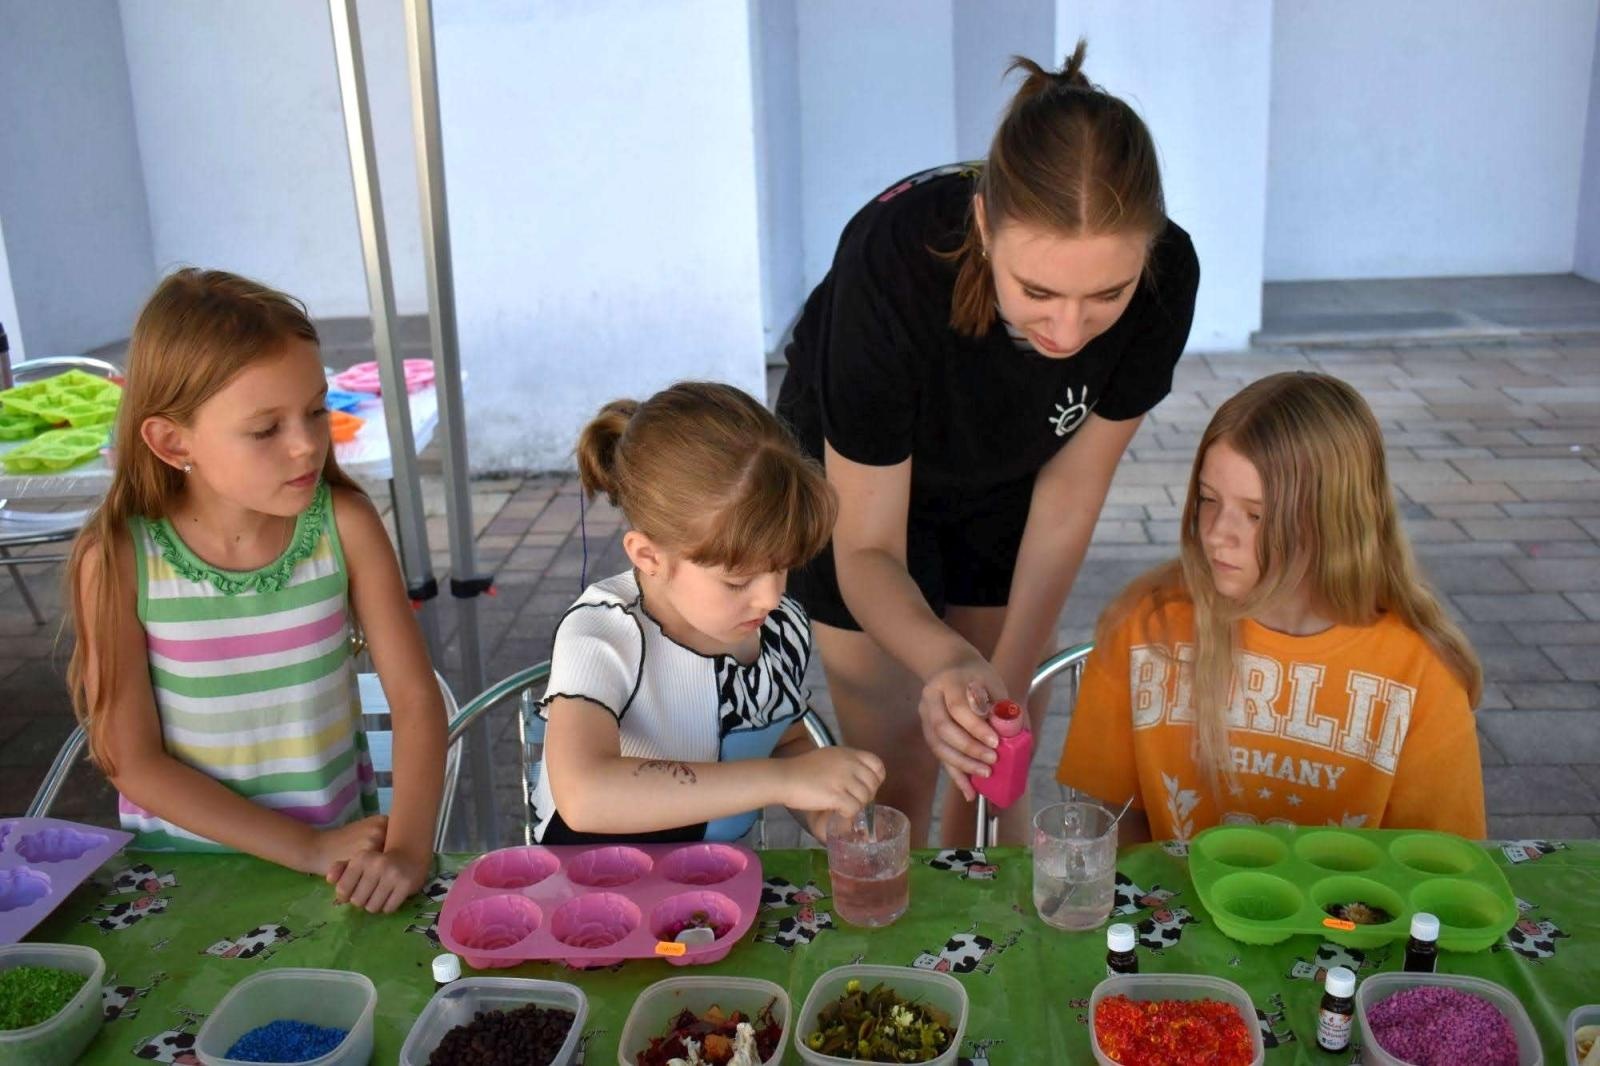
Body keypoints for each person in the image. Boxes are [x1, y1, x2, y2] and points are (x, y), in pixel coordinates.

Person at [775, 41, 1199, 845]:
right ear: (982, 225)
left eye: (1106, 294)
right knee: (896, 767)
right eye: (1037, 291)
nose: (1068, 331)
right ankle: (894, 956)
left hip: (1010, 470)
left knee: (993, 767)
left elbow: (1072, 493)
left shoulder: (1170, 275)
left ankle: (985, 952)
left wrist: (1005, 669)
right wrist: (945, 663)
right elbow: (865, 547)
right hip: (858, 481)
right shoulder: (889, 261)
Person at [66, 268, 446, 913]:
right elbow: (131, 761)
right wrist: (306, 846)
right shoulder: (121, 558)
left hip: (343, 877)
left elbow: (415, 700)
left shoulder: (344, 527)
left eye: (317, 410)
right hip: (184, 883)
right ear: (170, 440)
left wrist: (408, 850)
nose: (306, 446)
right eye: (266, 429)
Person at [1057, 372, 1486, 843]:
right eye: (1207, 499)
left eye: (1256, 515)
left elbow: (1441, 862)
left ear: (1333, 521)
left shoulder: (1421, 670)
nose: (1218, 532)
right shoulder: (1147, 625)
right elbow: (1112, 826)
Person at [532, 381, 886, 844]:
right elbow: (583, 794)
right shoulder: (603, 633)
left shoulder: (778, 630)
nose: (770, 598)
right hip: (592, 892)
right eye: (738, 581)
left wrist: (825, 815)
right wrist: (781, 782)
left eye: (782, 568)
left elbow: (784, 742)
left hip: (713, 891)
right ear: (649, 557)